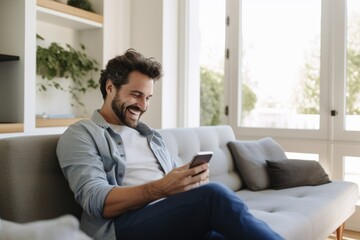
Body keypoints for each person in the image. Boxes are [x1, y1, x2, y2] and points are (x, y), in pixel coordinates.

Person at [56, 48, 284, 240]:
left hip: (171, 219)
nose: (143, 105)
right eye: (136, 95)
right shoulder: (82, 134)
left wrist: (189, 180)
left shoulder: (152, 137)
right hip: (122, 227)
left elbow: (172, 182)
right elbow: (96, 201)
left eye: (148, 98)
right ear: (109, 87)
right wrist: (161, 188)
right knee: (214, 195)